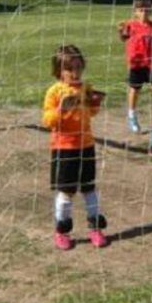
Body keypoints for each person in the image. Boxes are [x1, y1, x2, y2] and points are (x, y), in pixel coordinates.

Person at [42, 45, 108, 250]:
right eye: (70, 69)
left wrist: (95, 103)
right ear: (59, 71)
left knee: (90, 189)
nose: (76, 72)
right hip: (64, 149)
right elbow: (47, 120)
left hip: (86, 145)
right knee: (66, 192)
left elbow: (91, 113)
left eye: (79, 67)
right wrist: (61, 110)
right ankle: (62, 231)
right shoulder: (54, 92)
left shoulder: (85, 87)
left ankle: (95, 228)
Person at [118, 0, 152, 133]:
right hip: (136, 62)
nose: (144, 13)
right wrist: (121, 30)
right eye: (141, 10)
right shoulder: (130, 25)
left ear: (150, 11)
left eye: (147, 10)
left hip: (151, 61)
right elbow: (123, 38)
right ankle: (132, 115)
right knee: (135, 89)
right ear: (136, 12)